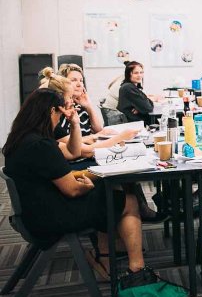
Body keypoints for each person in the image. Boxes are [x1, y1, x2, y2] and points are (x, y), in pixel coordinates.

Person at [2, 89, 145, 281]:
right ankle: (137, 269)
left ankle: (106, 256)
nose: (60, 119)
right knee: (128, 201)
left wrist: (75, 124)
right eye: (60, 114)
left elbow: (63, 172)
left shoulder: (20, 139)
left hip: (33, 210)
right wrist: (89, 183)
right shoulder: (42, 145)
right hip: (48, 217)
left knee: (107, 192)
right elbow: (73, 189)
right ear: (52, 111)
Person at [57, 64, 104, 136]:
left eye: (81, 81)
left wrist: (89, 106)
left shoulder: (80, 106)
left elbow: (98, 130)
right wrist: (92, 138)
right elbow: (65, 142)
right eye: (73, 80)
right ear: (62, 84)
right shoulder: (61, 108)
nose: (79, 84)